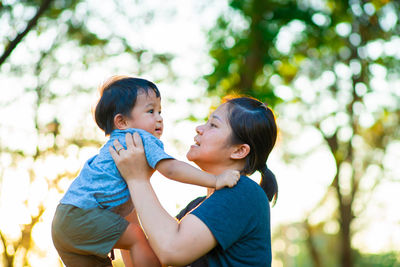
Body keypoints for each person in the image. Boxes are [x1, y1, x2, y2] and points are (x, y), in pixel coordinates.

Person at [51, 76, 240, 267]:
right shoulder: (139, 137)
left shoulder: (116, 144)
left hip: (64, 223)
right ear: (122, 122)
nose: (159, 117)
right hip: (82, 214)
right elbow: (172, 169)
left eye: (160, 111)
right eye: (150, 111)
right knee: (136, 236)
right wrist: (215, 180)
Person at [111, 96, 278, 266]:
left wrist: (137, 179)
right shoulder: (196, 207)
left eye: (213, 125)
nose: (199, 128)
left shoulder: (245, 192)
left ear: (239, 150)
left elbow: (171, 250)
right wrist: (127, 201)